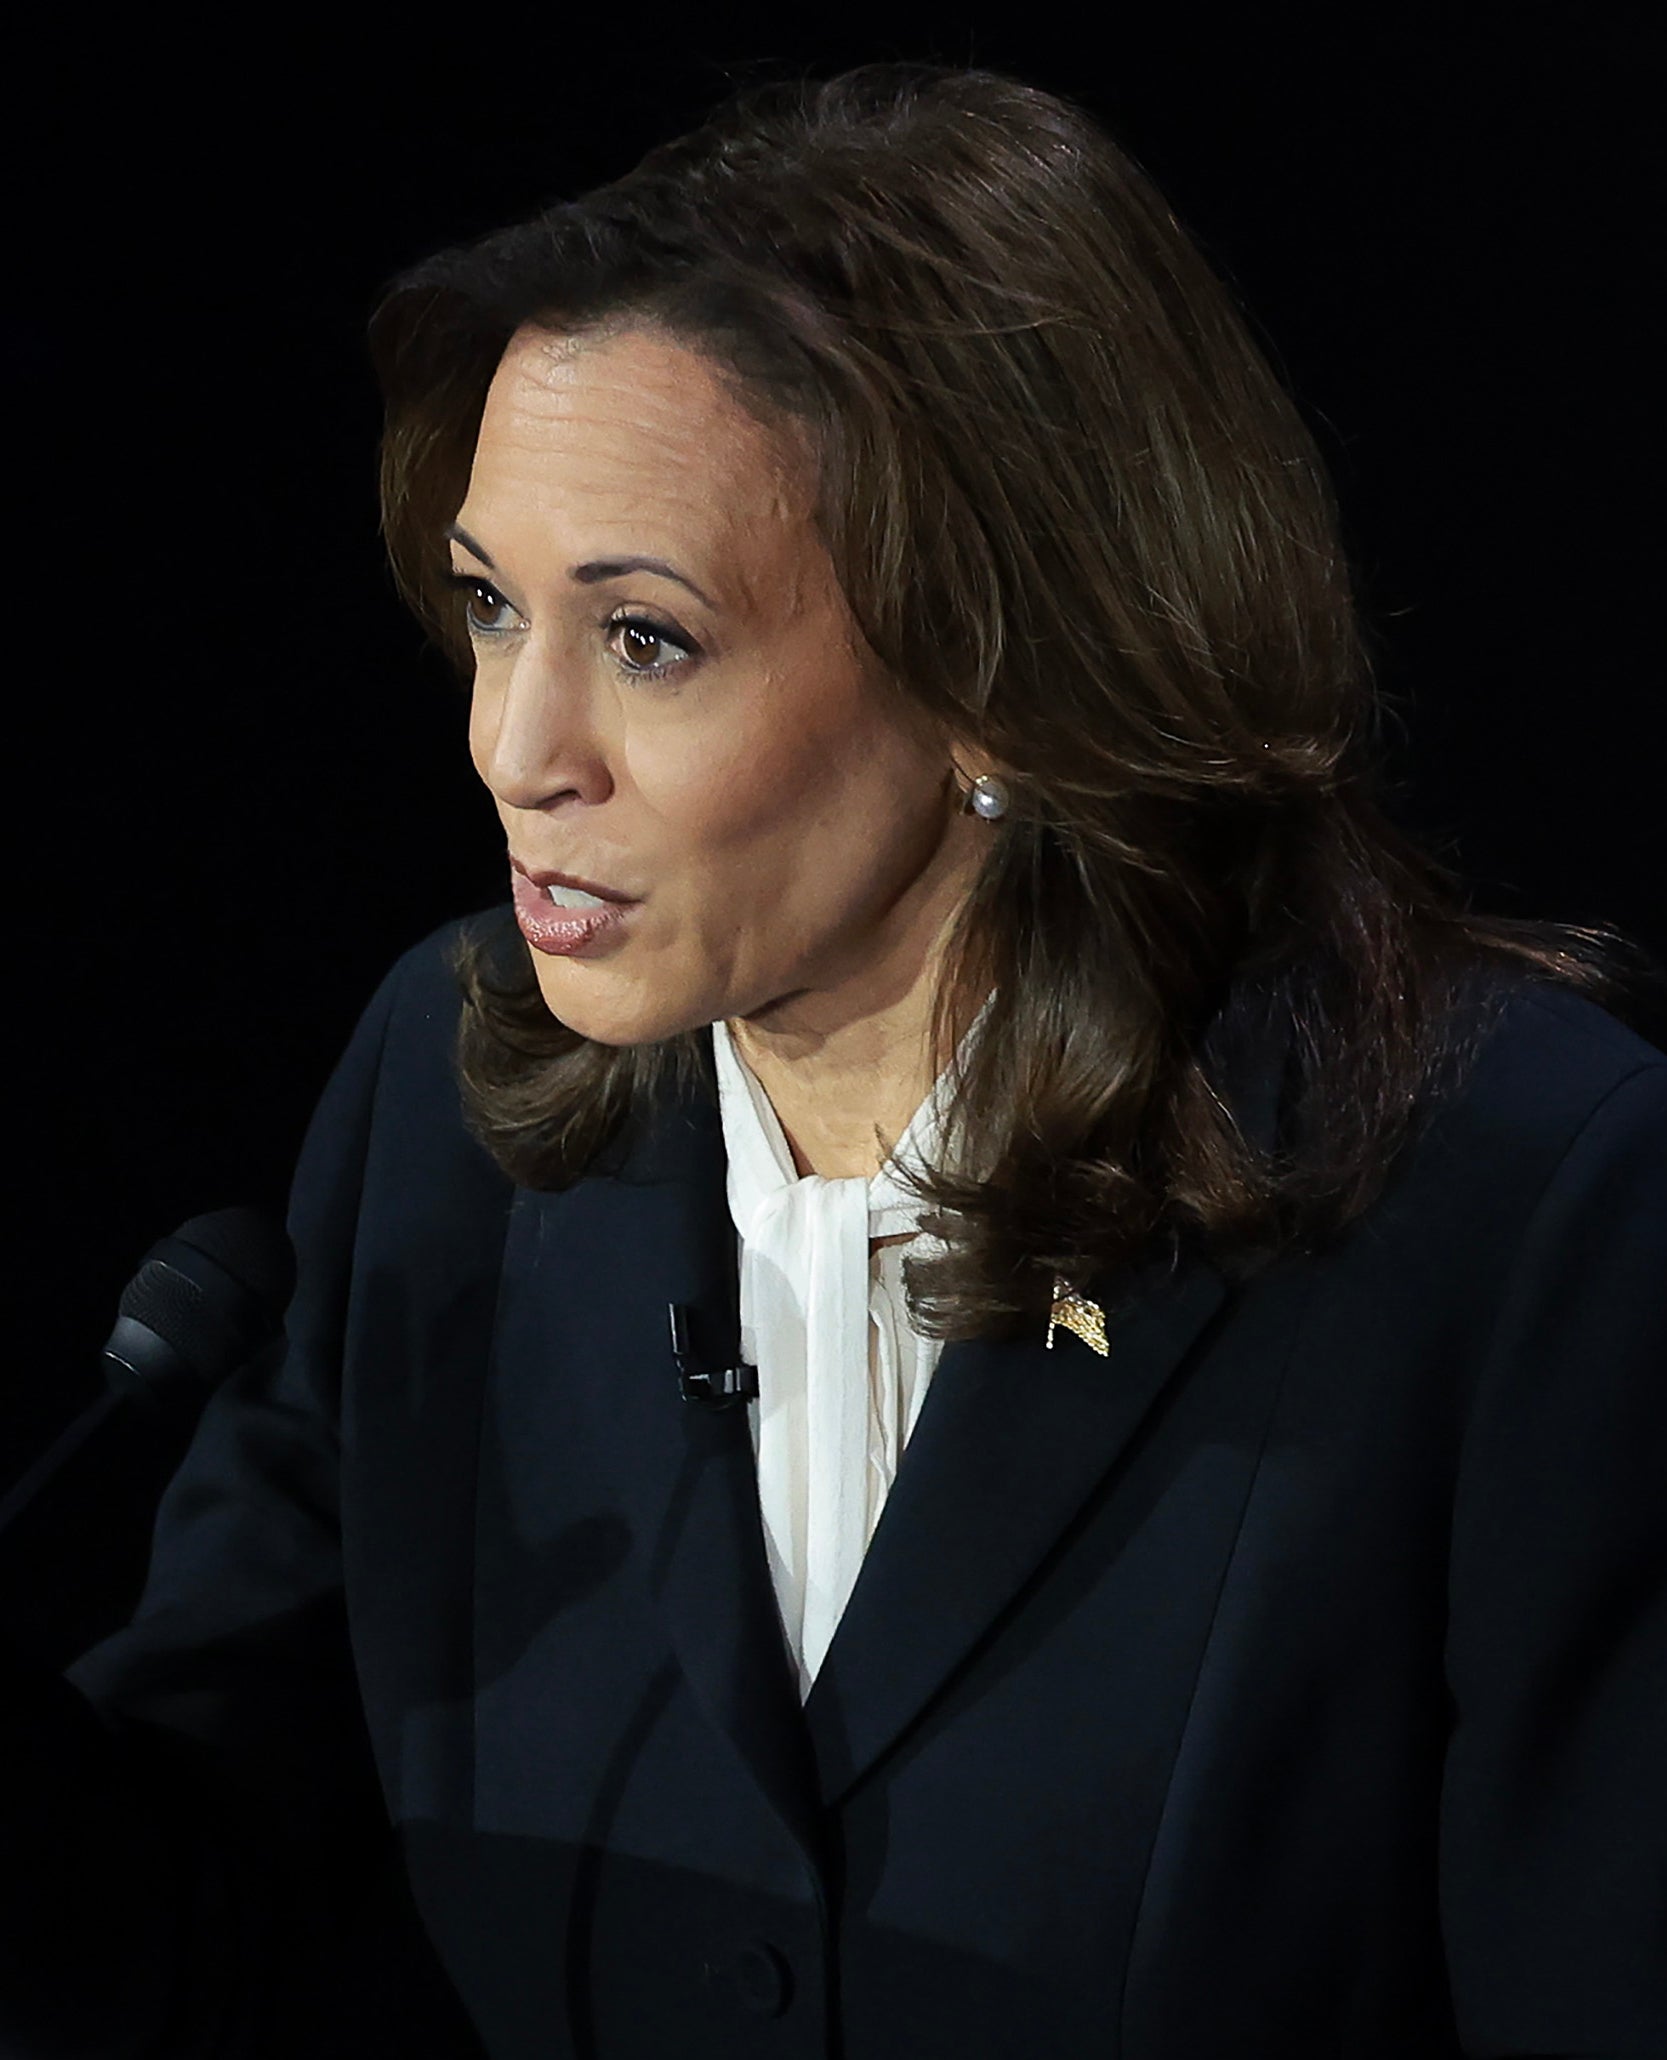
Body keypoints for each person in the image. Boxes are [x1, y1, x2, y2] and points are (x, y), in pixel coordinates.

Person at [5, 59, 1664, 2060]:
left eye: (644, 638)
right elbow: (186, 1937)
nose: (514, 748)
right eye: (487, 608)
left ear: (999, 676)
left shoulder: (1518, 1210)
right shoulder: (449, 1112)